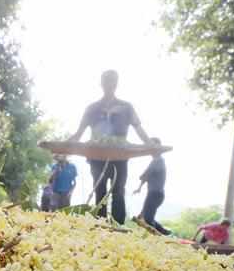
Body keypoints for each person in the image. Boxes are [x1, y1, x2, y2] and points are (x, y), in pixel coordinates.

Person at [66, 70, 156, 224]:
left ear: (117, 83)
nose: (109, 84)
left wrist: (150, 145)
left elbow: (139, 128)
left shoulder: (126, 107)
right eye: (106, 81)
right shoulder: (92, 108)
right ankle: (100, 225)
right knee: (99, 191)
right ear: (101, 84)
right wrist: (64, 146)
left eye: (112, 81)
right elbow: (79, 133)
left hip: (120, 156)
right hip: (96, 156)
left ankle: (118, 227)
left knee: (118, 192)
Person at [133, 138, 170, 235]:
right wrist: (139, 188)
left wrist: (140, 182)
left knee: (148, 218)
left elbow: (145, 175)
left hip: (156, 193)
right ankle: (164, 232)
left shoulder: (159, 161)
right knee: (147, 217)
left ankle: (159, 235)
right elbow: (145, 177)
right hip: (153, 193)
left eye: (152, 146)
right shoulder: (155, 161)